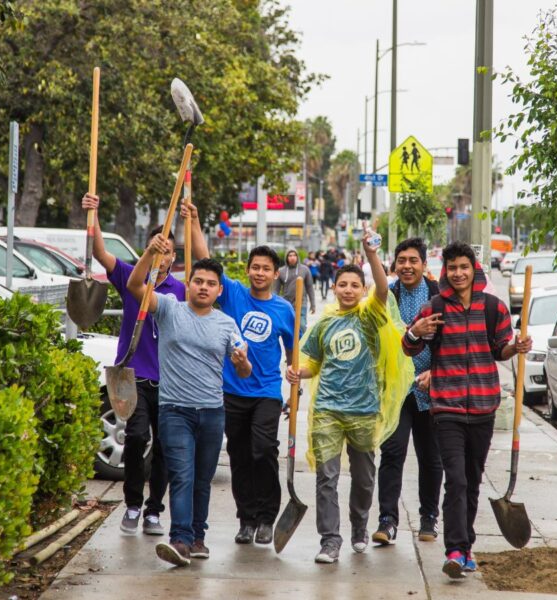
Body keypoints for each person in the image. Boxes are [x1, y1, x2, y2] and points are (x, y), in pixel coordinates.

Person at [402, 242, 531, 579]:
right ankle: (455, 551)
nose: (458, 273)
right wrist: (416, 331)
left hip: (484, 406)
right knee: (456, 480)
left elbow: (500, 350)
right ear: (444, 271)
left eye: (464, 266)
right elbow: (408, 345)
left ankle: (467, 545)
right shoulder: (434, 307)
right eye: (452, 267)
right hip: (446, 407)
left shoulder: (493, 308)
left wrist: (515, 347)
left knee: (472, 482)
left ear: (474, 269)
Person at [286, 232, 413, 565]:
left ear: (362, 290)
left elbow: (383, 290)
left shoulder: (370, 317)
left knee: (364, 477)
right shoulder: (324, 324)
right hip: (327, 409)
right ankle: (330, 540)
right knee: (326, 477)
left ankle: (359, 527)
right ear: (334, 288)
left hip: (364, 411)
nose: (347, 290)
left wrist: (371, 254)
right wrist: (299, 373)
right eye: (342, 285)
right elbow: (313, 363)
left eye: (354, 286)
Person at [128, 241, 252, 568]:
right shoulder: (169, 308)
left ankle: (198, 537)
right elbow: (135, 285)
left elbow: (244, 367)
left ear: (218, 290)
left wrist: (241, 362)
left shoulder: (226, 323)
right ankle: (179, 540)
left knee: (202, 479)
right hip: (174, 411)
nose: (204, 287)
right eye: (198, 281)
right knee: (181, 475)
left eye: (211, 283)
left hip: (212, 413)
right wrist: (149, 255)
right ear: (189, 284)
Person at [182, 200, 295, 546]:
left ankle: (266, 516)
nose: (260, 273)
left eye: (266, 268)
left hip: (267, 391)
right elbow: (203, 255)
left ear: (276, 274)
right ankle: (246, 519)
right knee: (240, 456)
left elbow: (294, 354)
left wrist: (295, 385)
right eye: (255, 267)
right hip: (231, 391)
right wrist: (197, 219)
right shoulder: (231, 294)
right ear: (248, 271)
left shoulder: (285, 309)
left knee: (264, 450)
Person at [80, 193, 183, 538]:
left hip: (169, 380)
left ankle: (155, 511)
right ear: (149, 250)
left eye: (168, 251)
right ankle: (133, 504)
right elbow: (99, 254)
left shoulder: (180, 290)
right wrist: (93, 216)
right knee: (137, 438)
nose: (162, 256)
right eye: (157, 248)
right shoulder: (129, 277)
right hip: (131, 375)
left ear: (173, 258)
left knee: (166, 447)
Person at [373, 238, 444, 546]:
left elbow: (452, 344)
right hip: (397, 391)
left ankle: (429, 517)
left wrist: (437, 373)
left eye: (413, 260)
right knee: (392, 453)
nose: (407, 266)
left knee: (431, 458)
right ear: (394, 264)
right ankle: (387, 520)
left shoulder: (439, 298)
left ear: (424, 264)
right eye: (401, 260)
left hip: (432, 391)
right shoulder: (387, 295)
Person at [274, 248, 316, 330]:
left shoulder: (305, 270)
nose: (292, 257)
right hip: (286, 303)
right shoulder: (281, 271)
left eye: (294, 255)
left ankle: (302, 343)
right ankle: (291, 343)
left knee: (302, 326)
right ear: (286, 257)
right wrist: (273, 304)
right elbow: (275, 290)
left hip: (301, 303)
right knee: (288, 328)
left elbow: (310, 287)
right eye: (290, 255)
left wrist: (313, 304)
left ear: (297, 257)